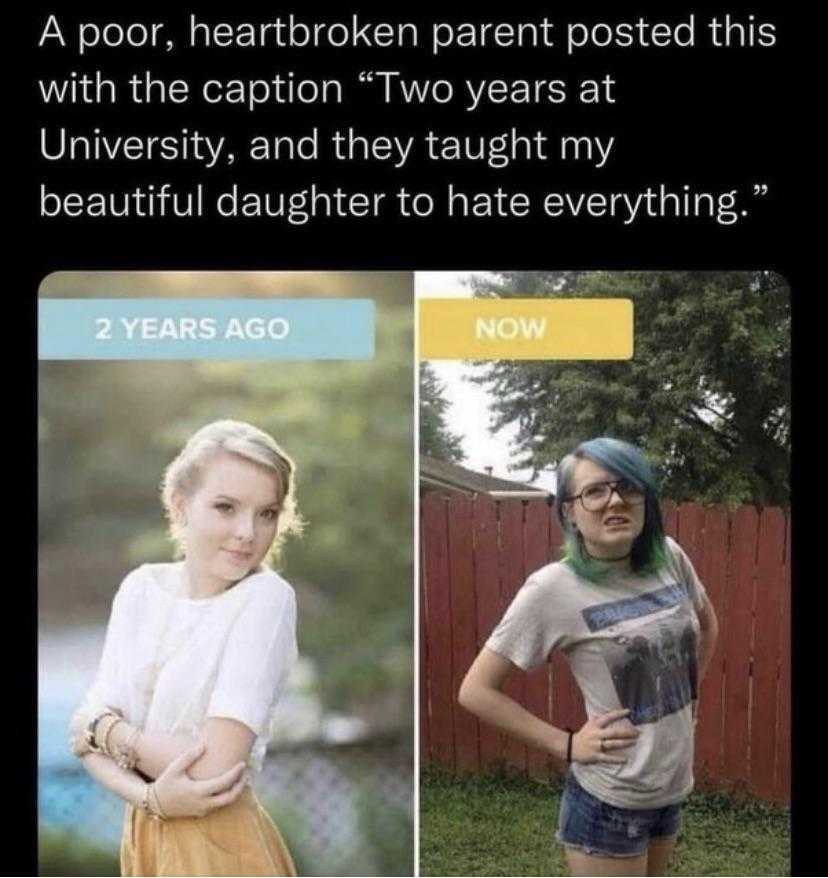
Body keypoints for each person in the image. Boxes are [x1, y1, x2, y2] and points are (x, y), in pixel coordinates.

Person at [459, 438, 719, 877]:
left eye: (626, 487)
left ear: (644, 499)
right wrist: (566, 744)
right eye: (594, 492)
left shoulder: (670, 558)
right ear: (570, 513)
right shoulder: (552, 588)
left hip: (669, 790)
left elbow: (707, 624)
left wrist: (689, 698)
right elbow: (475, 691)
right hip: (609, 801)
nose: (614, 500)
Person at [69, 420, 303, 876]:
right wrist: (151, 798)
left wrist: (110, 731)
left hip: (220, 844)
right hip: (144, 834)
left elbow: (216, 765)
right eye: (226, 507)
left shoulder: (266, 599)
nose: (247, 533)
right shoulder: (139, 588)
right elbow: (81, 739)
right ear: (181, 505)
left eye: (266, 514)